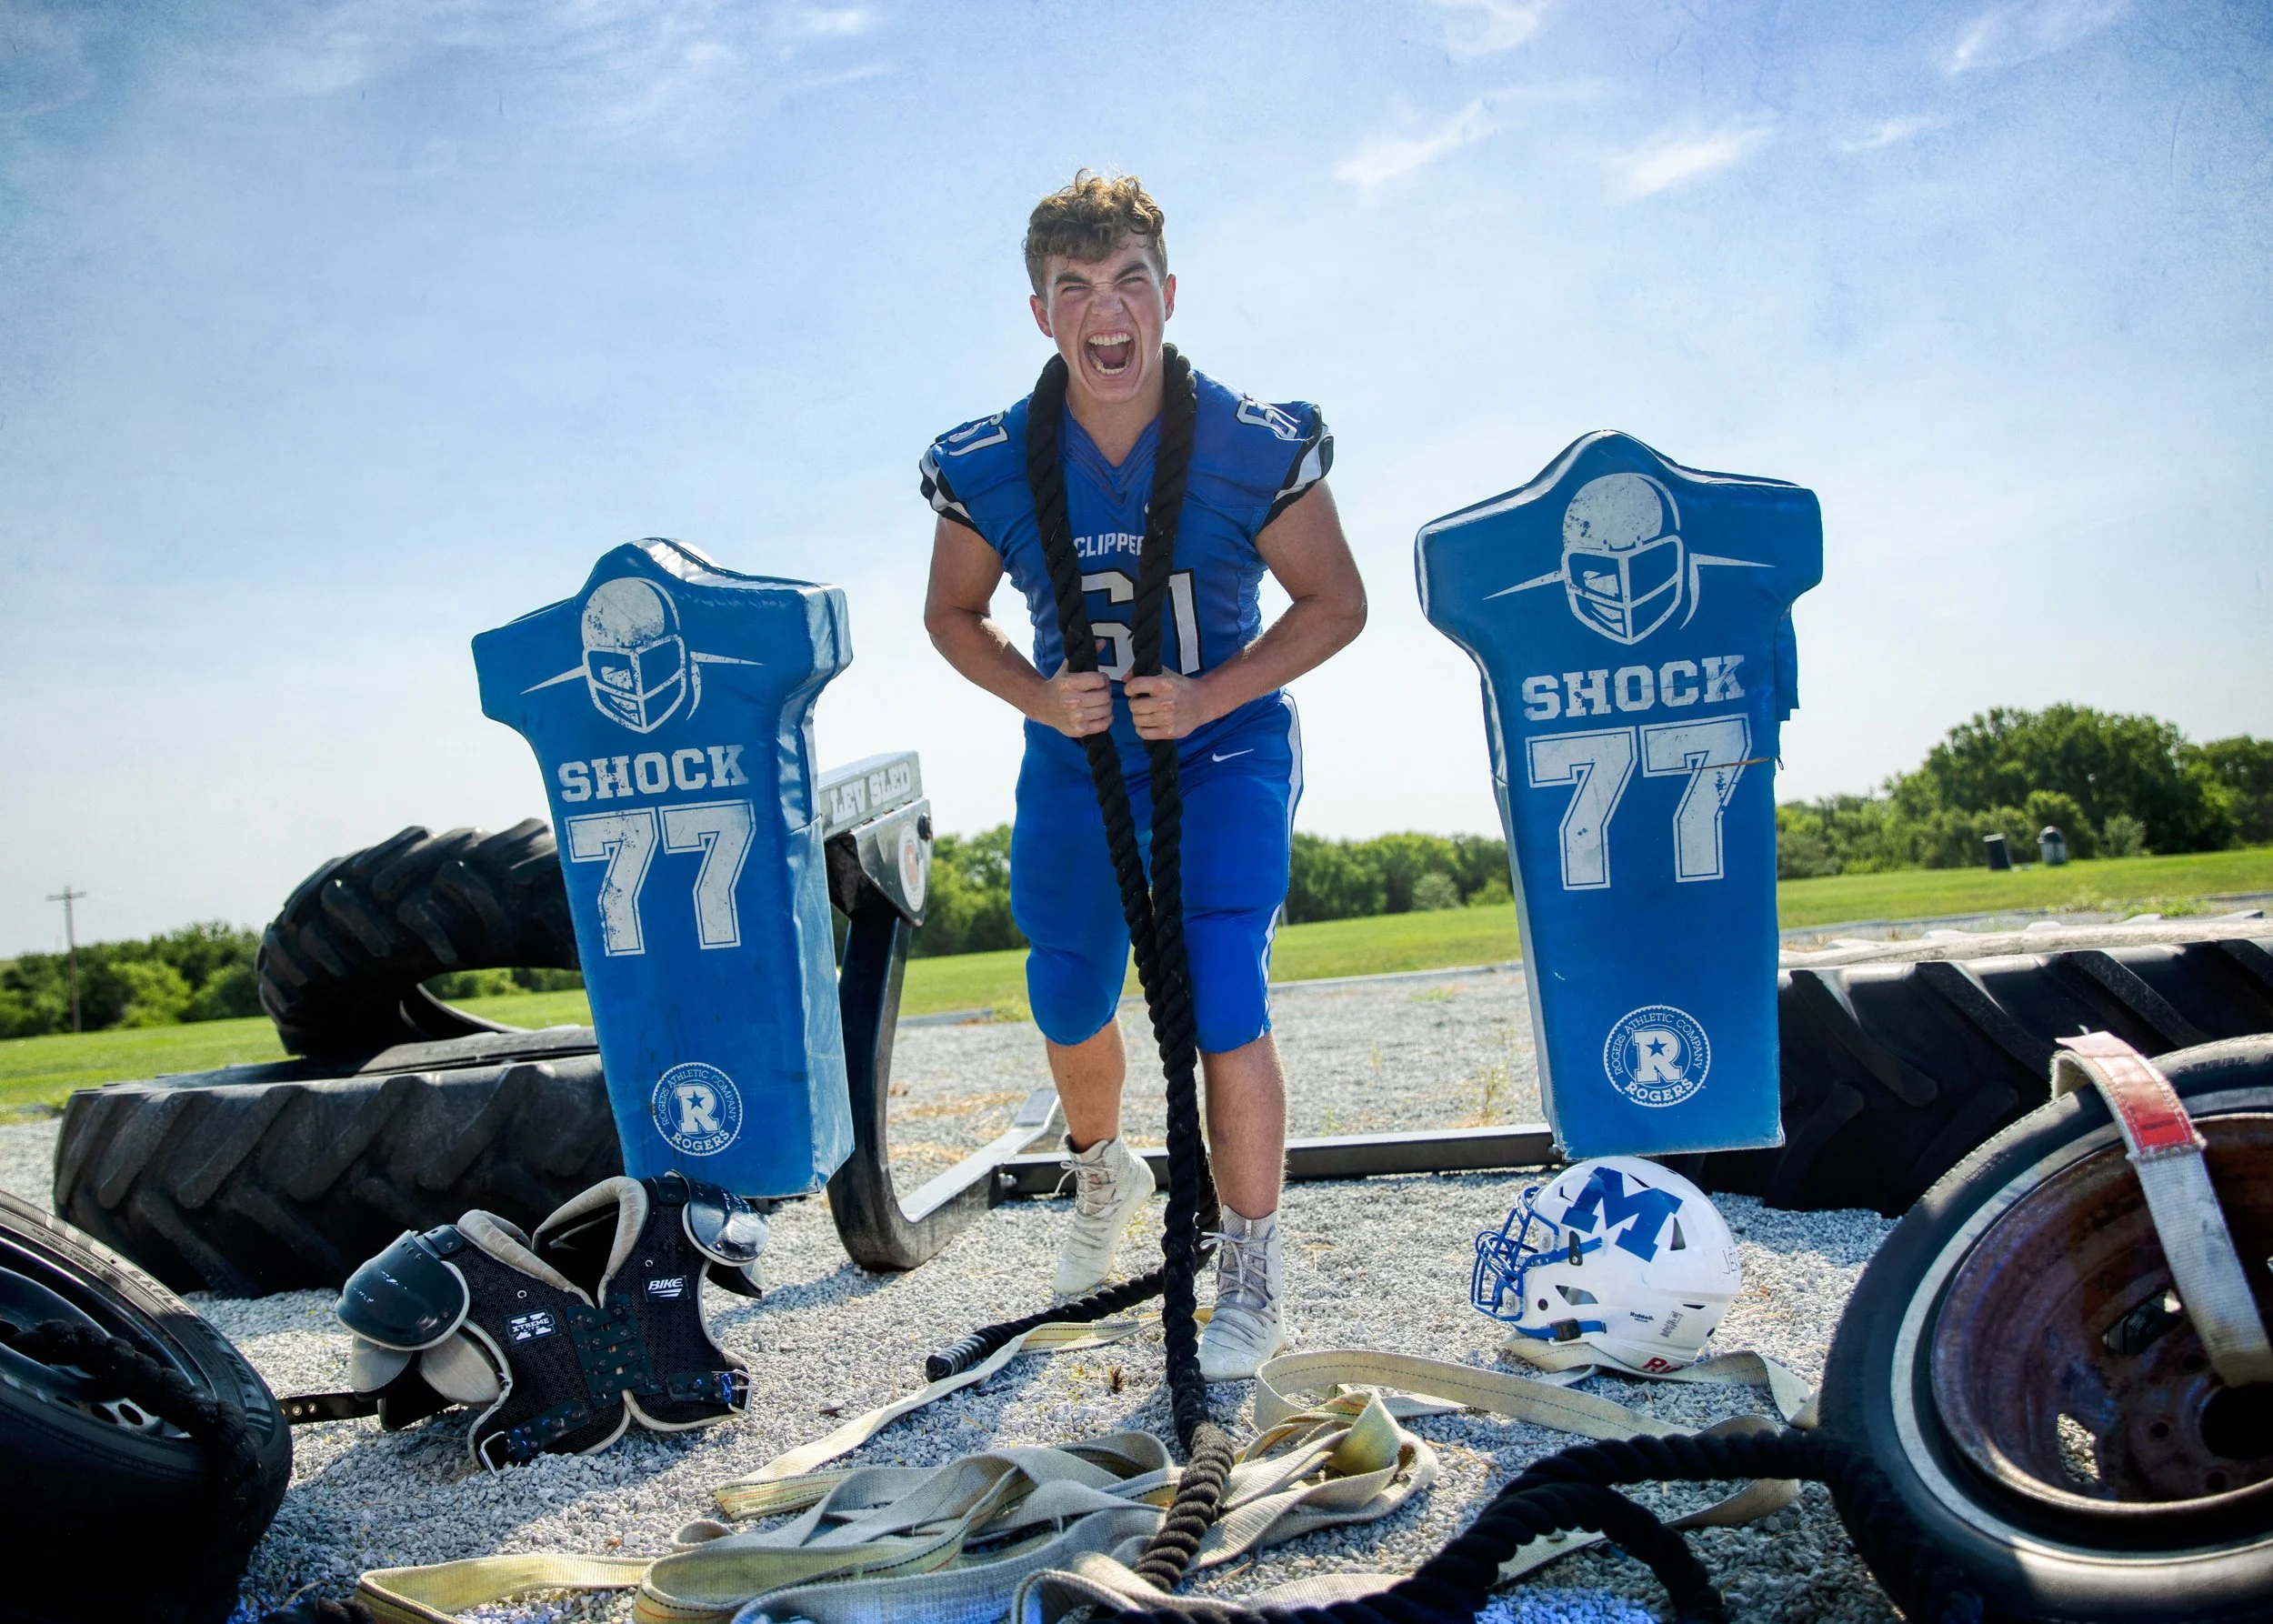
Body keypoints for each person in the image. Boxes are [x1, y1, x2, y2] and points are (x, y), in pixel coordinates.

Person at [918, 172, 1367, 1379]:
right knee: (1067, 990)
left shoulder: (1245, 437)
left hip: (1220, 747)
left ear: (1168, 296)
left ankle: (1253, 1264)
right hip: (1076, 760)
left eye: (1127, 283)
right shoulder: (996, 458)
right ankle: (1101, 1163)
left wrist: (1216, 689)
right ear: (1041, 313)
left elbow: (1337, 601)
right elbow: (951, 614)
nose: (1104, 312)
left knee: (1222, 986)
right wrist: (1035, 691)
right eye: (1075, 288)